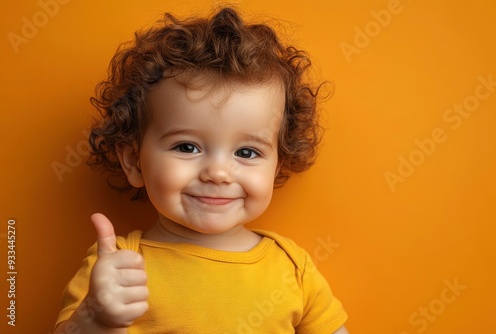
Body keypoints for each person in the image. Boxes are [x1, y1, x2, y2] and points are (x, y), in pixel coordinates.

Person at [55, 6, 349, 334]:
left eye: (247, 152)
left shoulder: (293, 268)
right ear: (134, 161)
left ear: (277, 164)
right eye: (187, 147)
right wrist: (95, 319)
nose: (218, 173)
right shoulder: (117, 266)